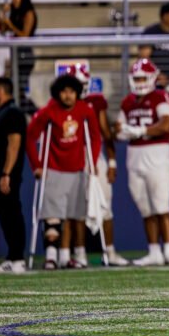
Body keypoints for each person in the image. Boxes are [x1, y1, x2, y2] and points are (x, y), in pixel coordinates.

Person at [26, 73, 101, 269]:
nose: (68, 96)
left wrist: (92, 162)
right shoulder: (48, 112)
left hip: (77, 170)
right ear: (58, 93)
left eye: (71, 92)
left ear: (77, 93)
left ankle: (66, 257)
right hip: (53, 169)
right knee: (52, 215)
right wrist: (37, 165)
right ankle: (51, 256)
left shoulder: (86, 111)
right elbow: (30, 137)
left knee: (72, 215)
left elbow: (95, 138)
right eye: (64, 92)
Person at [66, 64, 129, 267]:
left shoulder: (95, 102)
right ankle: (79, 253)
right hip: (71, 158)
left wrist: (111, 162)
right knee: (76, 209)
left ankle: (109, 251)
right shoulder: (62, 104)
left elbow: (105, 133)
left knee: (105, 205)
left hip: (95, 157)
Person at [116, 59, 169, 266]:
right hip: (134, 155)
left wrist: (142, 131)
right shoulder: (127, 101)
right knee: (145, 208)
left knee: (161, 205)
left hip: (157, 153)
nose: (140, 82)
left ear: (151, 78)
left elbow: (167, 124)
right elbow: (118, 127)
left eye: (143, 77)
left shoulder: (160, 96)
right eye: (137, 78)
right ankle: (154, 251)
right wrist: (124, 133)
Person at [0, 77, 28, 273]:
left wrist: (6, 173)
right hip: (0, 176)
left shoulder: (12, 113)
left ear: (0, 90)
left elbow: (14, 144)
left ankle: (18, 258)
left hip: (7, 175)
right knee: (5, 214)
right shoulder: (2, 113)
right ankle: (13, 256)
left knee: (11, 213)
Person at [0, 0, 37, 109]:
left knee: (19, 89)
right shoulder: (14, 12)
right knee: (14, 88)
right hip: (14, 53)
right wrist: (4, 15)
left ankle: (34, 112)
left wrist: (10, 25)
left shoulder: (29, 13)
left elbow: (24, 36)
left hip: (25, 54)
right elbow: (3, 31)